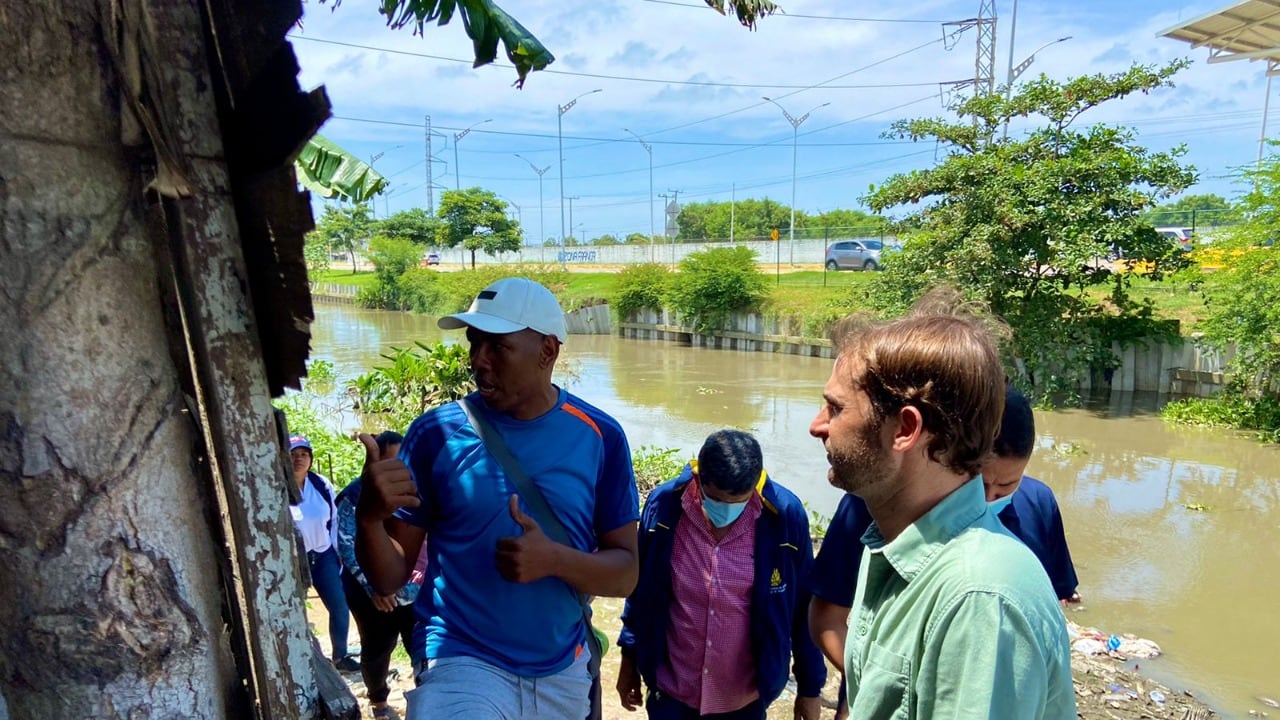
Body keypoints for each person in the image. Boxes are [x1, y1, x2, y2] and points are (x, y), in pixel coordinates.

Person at [355, 277, 640, 720]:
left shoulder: (600, 436)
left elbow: (625, 575)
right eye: (474, 344)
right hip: (461, 658)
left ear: (548, 351)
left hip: (562, 670)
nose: (477, 361)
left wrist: (555, 561)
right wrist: (370, 518)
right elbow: (390, 578)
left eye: (497, 347)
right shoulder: (436, 434)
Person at [806, 290, 1075, 719]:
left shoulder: (979, 598)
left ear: (905, 429)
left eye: (836, 408)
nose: (817, 425)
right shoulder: (893, 548)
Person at [617, 429, 826, 720]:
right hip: (672, 693)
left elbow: (804, 608)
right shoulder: (664, 508)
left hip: (744, 700)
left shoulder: (785, 519)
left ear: (756, 485)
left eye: (738, 501)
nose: (726, 510)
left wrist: (809, 688)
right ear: (698, 479)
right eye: (716, 499)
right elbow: (640, 591)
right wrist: (629, 660)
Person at [335, 430, 428, 720]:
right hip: (371, 595)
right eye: (389, 461)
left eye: (402, 461)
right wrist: (376, 587)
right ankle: (378, 702)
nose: (396, 470)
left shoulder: (419, 492)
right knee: (377, 650)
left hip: (415, 591)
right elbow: (346, 545)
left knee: (422, 650)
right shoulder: (354, 495)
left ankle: (425, 703)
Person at [982, 387, 1082, 606]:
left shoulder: (1039, 502)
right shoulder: (930, 509)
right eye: (980, 485)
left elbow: (1059, 591)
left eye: (1006, 485)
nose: (990, 498)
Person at [289, 434, 359, 672]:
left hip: (323, 554)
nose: (299, 459)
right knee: (294, 609)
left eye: (304, 454)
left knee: (339, 605)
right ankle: (303, 658)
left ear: (310, 458)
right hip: (294, 560)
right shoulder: (277, 486)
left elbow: (335, 519)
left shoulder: (321, 485)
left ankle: (341, 656)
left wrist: (337, 551)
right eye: (294, 454)